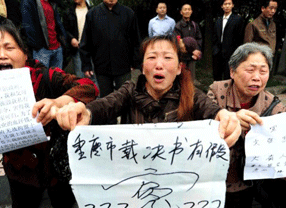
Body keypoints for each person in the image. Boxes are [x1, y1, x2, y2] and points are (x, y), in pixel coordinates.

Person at [0, 20, 99, 208]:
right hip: (18, 172)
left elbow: (88, 86)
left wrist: (58, 102)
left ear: (24, 53)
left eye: (9, 47)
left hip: (56, 170)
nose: (2, 55)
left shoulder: (44, 76)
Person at [52, 35, 241, 150]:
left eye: (167, 58)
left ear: (178, 68)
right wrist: (86, 112)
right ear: (142, 67)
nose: (159, 64)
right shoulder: (130, 90)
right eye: (151, 57)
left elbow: (211, 109)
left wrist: (225, 117)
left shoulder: (191, 94)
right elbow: (106, 104)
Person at [207, 42, 286, 208]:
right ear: (232, 71)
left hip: (250, 186)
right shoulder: (216, 91)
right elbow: (205, 127)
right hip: (214, 182)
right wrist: (232, 121)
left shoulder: (273, 105)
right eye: (250, 70)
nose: (257, 77)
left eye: (263, 71)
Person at [79, 0, 141, 98]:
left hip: (123, 65)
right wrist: (86, 65)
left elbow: (136, 40)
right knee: (105, 100)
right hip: (101, 65)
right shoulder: (92, 14)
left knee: (125, 96)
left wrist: (135, 61)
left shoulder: (128, 13)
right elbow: (86, 41)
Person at [21, 0, 67, 69]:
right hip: (42, 51)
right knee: (42, 78)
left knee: (58, 78)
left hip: (57, 48)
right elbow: (28, 26)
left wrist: (61, 41)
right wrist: (38, 46)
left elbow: (57, 23)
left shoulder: (51, 2)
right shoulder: (29, 2)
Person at [212, 0, 244, 81]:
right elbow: (215, 37)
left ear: (232, 5)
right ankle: (217, 93)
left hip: (230, 53)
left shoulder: (237, 19)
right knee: (217, 75)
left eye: (229, 4)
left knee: (228, 76)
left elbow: (239, 38)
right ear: (222, 6)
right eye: (225, 4)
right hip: (218, 53)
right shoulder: (218, 20)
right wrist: (215, 50)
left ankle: (228, 93)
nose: (227, 6)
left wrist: (236, 53)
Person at [174, 3, 202, 82]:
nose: (187, 11)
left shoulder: (194, 25)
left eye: (189, 9)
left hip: (192, 57)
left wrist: (197, 50)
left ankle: (191, 93)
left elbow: (199, 38)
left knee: (191, 79)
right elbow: (178, 41)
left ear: (191, 11)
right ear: (181, 12)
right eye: (185, 9)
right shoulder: (178, 26)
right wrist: (190, 50)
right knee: (181, 78)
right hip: (182, 56)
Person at [63, 0, 90, 78]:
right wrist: (71, 39)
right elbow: (65, 30)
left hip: (92, 49)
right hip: (78, 48)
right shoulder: (69, 12)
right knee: (80, 77)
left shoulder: (92, 11)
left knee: (93, 77)